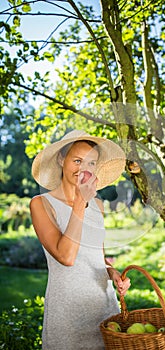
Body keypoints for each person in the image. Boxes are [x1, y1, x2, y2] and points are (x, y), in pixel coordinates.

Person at [30, 130, 131, 350]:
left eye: (91, 163)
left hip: (105, 309)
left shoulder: (98, 206)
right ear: (61, 159)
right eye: (77, 160)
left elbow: (99, 258)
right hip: (68, 315)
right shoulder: (41, 204)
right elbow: (66, 257)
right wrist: (79, 202)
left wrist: (113, 273)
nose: (84, 169)